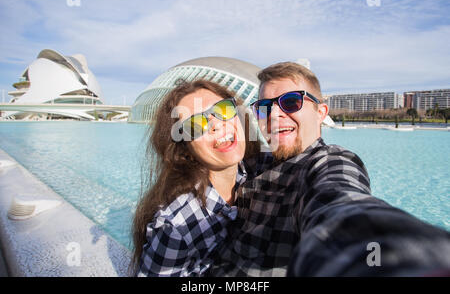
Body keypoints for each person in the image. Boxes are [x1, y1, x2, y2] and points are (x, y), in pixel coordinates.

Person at [208, 62, 450, 276]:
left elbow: (342, 205)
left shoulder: (327, 162)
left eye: (291, 102)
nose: (274, 115)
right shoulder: (252, 163)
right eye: (264, 107)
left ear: (321, 113)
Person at [131, 79, 259, 276]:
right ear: (185, 150)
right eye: (196, 124)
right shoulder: (175, 226)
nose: (216, 125)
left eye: (223, 109)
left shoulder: (257, 171)